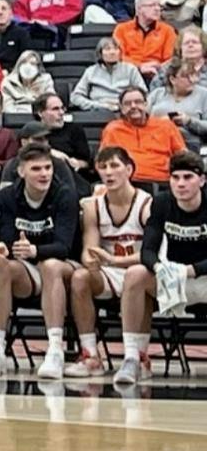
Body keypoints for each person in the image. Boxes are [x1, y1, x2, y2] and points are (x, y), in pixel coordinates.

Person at [0, 141, 82, 379]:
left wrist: (35, 250)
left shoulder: (66, 194)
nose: (44, 173)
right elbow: (7, 237)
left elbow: (64, 247)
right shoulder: (7, 196)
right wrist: (3, 250)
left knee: (51, 265)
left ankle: (55, 350)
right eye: (36, 169)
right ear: (21, 171)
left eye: (48, 168)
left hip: (67, 267)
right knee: (0, 266)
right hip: (27, 267)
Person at [132, 151, 207, 389]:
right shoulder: (163, 202)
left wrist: (190, 270)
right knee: (135, 275)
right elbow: (147, 250)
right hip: (172, 278)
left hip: (201, 276)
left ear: (202, 180)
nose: (181, 183)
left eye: (188, 177)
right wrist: (159, 268)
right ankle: (136, 357)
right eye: (175, 177)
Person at [71, 146, 147, 380]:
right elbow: (90, 248)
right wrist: (90, 261)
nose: (109, 172)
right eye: (103, 167)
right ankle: (90, 355)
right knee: (80, 277)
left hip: (141, 270)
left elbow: (151, 254)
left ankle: (139, 358)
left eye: (114, 166)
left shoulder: (147, 204)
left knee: (139, 274)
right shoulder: (93, 205)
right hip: (110, 272)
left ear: (129, 169)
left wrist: (116, 259)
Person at [101, 87, 186, 186]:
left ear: (146, 104)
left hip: (163, 182)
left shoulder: (166, 126)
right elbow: (103, 161)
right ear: (121, 108)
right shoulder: (112, 129)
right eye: (127, 104)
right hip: (127, 183)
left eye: (138, 102)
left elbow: (182, 156)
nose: (133, 106)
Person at [73, 35, 146, 113]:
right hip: (97, 110)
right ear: (100, 54)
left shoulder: (130, 69)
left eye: (116, 49)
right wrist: (99, 105)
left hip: (124, 111)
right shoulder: (91, 71)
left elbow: (143, 93)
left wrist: (126, 105)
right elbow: (76, 97)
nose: (112, 52)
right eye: (107, 49)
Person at [36, 93, 94, 185]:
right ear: (40, 113)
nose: (61, 113)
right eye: (55, 109)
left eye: (62, 108)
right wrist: (51, 153)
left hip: (71, 178)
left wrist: (77, 163)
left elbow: (87, 162)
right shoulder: (33, 131)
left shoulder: (74, 129)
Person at [149, 62, 207, 138]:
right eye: (186, 77)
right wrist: (160, 122)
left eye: (194, 75)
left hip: (189, 140)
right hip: (156, 136)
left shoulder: (203, 94)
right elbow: (143, 118)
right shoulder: (157, 93)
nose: (193, 80)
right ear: (172, 79)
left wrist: (189, 121)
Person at [0, 50, 55, 120]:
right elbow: (7, 108)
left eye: (32, 63)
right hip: (14, 119)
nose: (28, 67)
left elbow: (50, 105)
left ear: (38, 67)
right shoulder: (7, 82)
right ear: (18, 65)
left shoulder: (46, 80)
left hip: (39, 119)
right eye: (24, 62)